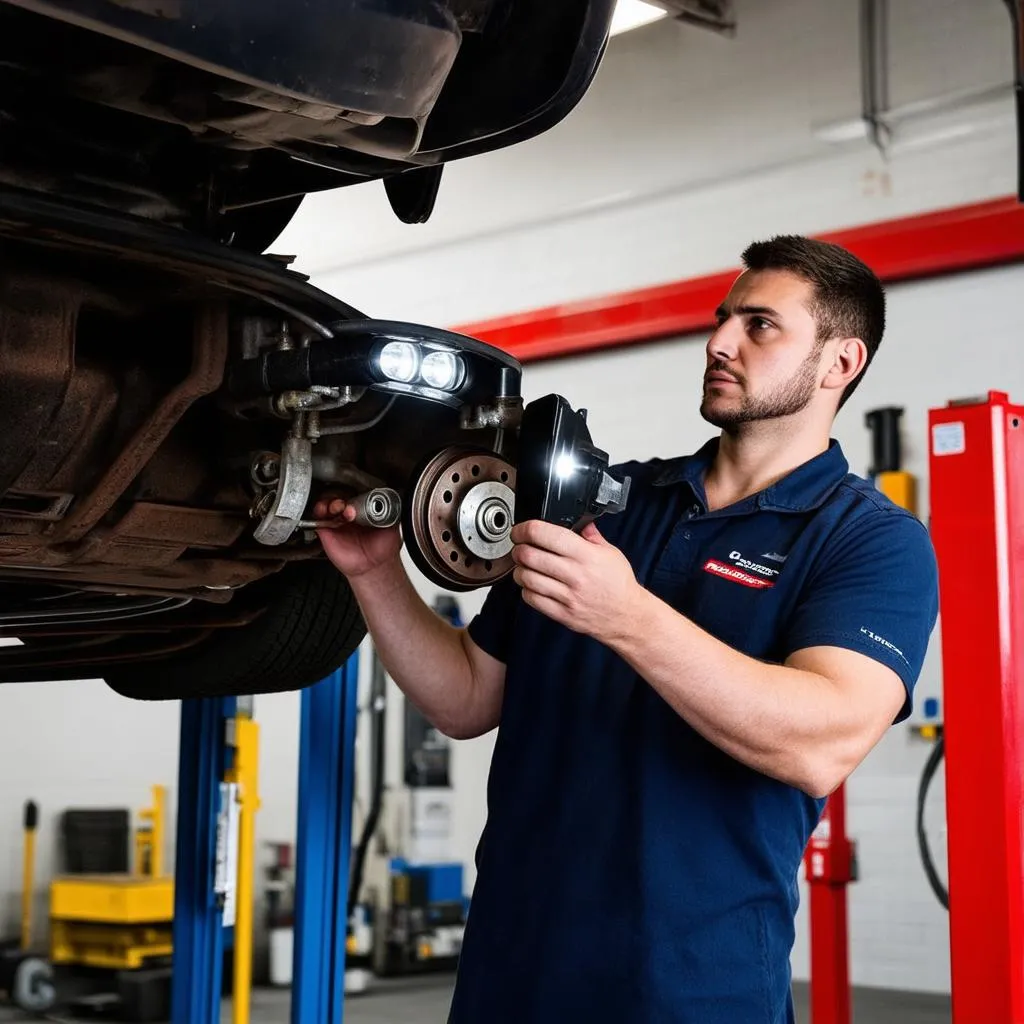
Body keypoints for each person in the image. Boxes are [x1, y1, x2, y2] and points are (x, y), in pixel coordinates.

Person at [314, 235, 940, 1024]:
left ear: (841, 362)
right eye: (722, 319)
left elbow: (820, 743)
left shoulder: (869, 537)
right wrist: (376, 573)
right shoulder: (616, 502)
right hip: (510, 975)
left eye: (759, 325)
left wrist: (629, 616)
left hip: (690, 990)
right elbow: (467, 697)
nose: (718, 341)